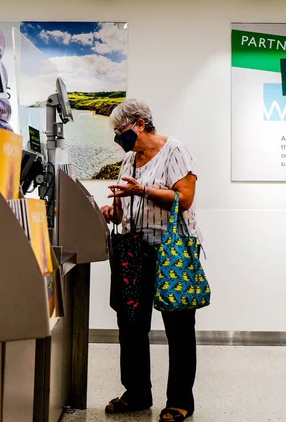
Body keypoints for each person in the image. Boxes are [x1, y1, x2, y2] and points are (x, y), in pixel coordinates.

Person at [101, 99, 201, 422]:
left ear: (141, 124)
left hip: (171, 249)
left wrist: (143, 190)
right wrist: (114, 210)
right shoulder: (129, 160)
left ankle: (180, 400)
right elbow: (125, 206)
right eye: (116, 135)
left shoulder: (175, 150)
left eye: (122, 132)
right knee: (130, 324)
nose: (120, 140)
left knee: (178, 326)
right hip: (133, 250)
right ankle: (137, 392)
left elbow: (184, 199)